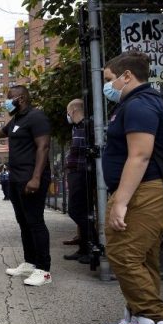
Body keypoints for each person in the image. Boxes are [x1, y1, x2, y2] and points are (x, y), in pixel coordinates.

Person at [100, 51, 163, 324]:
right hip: (148, 189)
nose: (107, 86)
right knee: (144, 257)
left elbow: (140, 155)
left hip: (148, 190)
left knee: (123, 254)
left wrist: (120, 202)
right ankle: (139, 320)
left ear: (127, 76)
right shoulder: (137, 102)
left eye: (110, 79)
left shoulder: (139, 104)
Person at [0, 85, 52, 286]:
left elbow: (43, 147)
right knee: (24, 222)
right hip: (17, 179)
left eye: (9, 99)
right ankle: (30, 262)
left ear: (21, 98)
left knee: (35, 222)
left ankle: (44, 270)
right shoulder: (17, 119)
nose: (6, 103)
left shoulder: (37, 117)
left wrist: (36, 178)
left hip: (31, 179)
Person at [64, 99, 94, 264]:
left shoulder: (85, 127)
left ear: (73, 111)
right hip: (77, 173)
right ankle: (84, 248)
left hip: (83, 173)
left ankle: (91, 247)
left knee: (76, 211)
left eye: (68, 111)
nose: (67, 115)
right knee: (80, 211)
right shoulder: (77, 127)